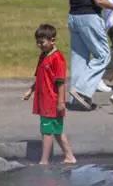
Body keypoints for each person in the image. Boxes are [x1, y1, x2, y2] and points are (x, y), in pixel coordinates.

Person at [23, 24, 75, 164]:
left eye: (42, 42)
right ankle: (69, 156)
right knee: (57, 130)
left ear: (52, 40)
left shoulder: (57, 59)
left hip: (51, 101)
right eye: (38, 42)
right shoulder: (43, 56)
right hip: (44, 99)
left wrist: (61, 102)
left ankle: (44, 161)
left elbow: (61, 82)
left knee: (47, 131)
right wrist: (31, 90)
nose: (39, 45)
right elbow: (40, 77)